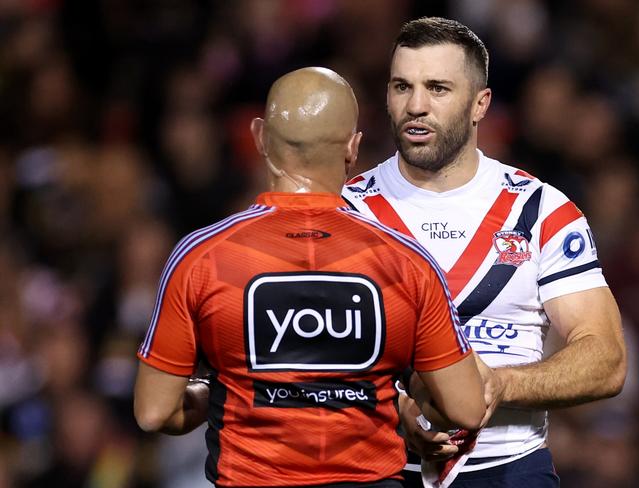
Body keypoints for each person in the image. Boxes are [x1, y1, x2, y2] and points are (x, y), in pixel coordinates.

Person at [133, 66, 486, 488]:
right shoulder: (409, 262)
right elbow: (466, 407)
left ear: (260, 137)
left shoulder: (200, 257)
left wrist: (225, 390)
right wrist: (395, 399)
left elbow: (154, 412)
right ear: (353, 148)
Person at [342, 17, 627, 488]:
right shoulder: (345, 212)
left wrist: (501, 384)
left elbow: (607, 357)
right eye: (401, 86)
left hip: (510, 471)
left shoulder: (540, 210)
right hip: (378, 468)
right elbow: (303, 358)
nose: (415, 106)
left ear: (480, 104)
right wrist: (393, 407)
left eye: (437, 88)